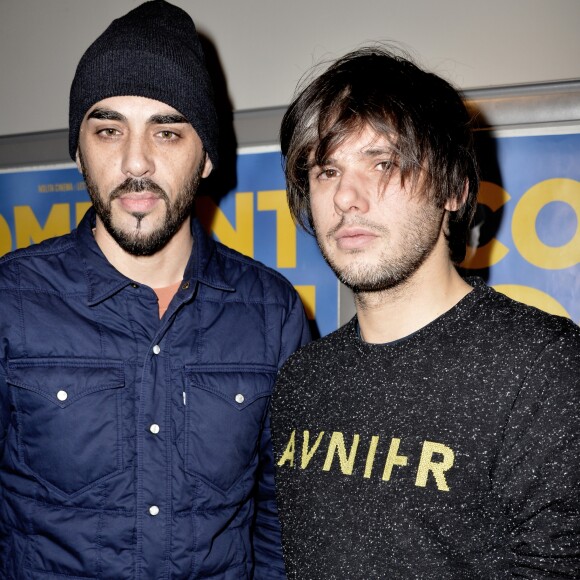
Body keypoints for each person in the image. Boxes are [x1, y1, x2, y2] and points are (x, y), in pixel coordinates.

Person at [0, 2, 309, 578]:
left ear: (208, 155)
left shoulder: (272, 312)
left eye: (167, 131)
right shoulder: (10, 300)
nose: (134, 161)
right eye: (108, 129)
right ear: (78, 149)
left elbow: (281, 522)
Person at [271, 46, 580, 578]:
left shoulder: (544, 367)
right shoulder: (302, 380)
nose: (347, 196)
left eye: (383, 163)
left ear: (456, 189)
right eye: (326, 170)